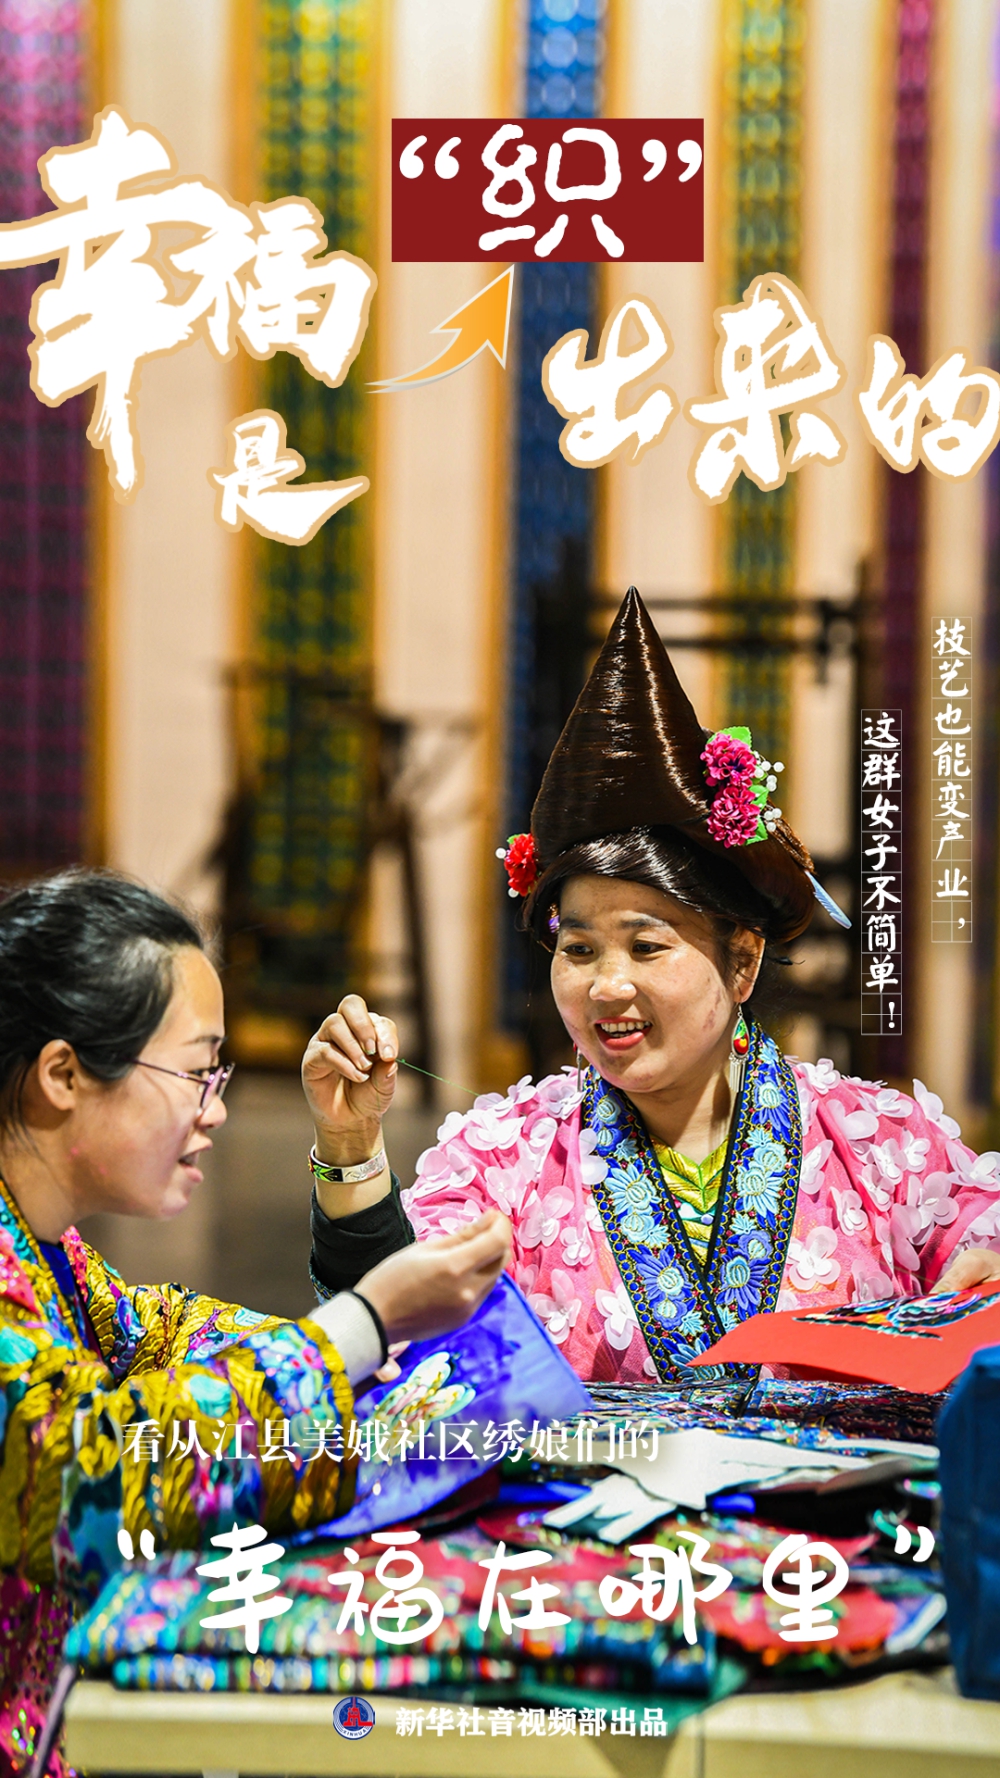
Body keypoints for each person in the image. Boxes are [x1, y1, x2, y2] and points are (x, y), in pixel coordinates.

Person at [308, 588, 1000, 1384]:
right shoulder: (502, 1163)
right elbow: (394, 1334)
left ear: (742, 962)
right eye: (578, 949)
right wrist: (350, 1146)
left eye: (646, 946)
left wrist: (982, 1290)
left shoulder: (885, 1150)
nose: (607, 986)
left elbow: (981, 1252)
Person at [0, 870, 510, 1776]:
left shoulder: (52, 1259)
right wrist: (366, 1319)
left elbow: (168, 1337)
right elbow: (85, 1478)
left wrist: (364, 1304)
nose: (218, 1109)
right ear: (64, 1075)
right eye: (196, 1073)